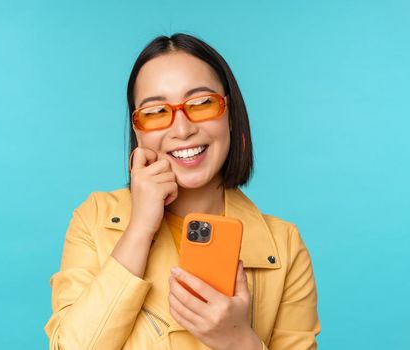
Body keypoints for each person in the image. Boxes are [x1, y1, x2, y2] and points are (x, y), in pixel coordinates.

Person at [43, 33, 320, 350]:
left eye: (202, 104)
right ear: (138, 130)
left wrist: (239, 341)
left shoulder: (284, 246)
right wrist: (140, 228)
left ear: (230, 114)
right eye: (155, 111)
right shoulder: (95, 219)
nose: (182, 129)